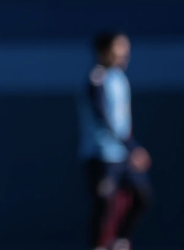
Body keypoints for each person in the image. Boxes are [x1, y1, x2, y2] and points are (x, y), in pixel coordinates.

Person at [77, 32, 152, 250]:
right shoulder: (96, 79)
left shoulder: (120, 78)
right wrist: (132, 147)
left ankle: (120, 241)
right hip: (101, 155)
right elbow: (103, 116)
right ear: (105, 51)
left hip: (122, 155)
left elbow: (122, 122)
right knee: (104, 204)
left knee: (142, 197)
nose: (124, 53)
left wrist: (129, 148)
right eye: (119, 48)